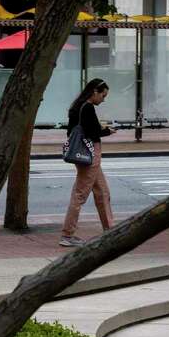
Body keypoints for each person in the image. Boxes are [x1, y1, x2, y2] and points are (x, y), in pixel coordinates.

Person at [59, 79, 117, 247]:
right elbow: (93, 132)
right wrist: (107, 131)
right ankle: (67, 234)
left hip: (83, 154)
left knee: (102, 192)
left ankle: (110, 230)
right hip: (90, 154)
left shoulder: (76, 106)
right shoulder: (88, 108)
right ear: (95, 92)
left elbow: (72, 131)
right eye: (103, 95)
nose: (103, 99)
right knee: (80, 194)